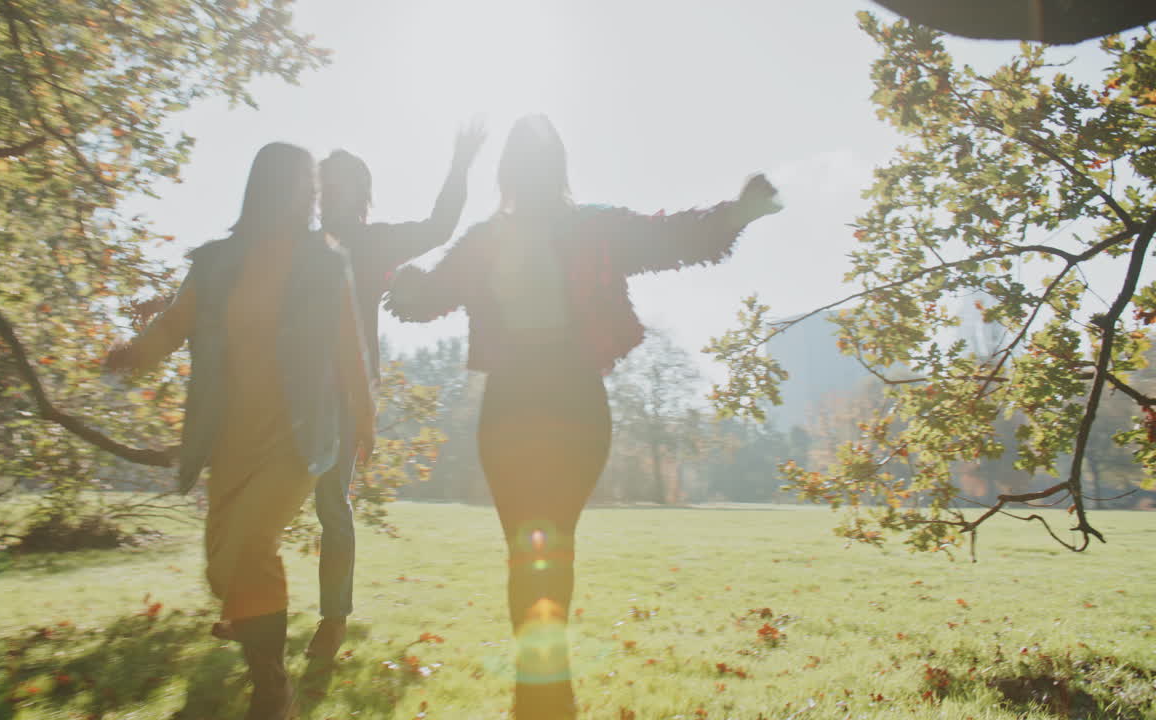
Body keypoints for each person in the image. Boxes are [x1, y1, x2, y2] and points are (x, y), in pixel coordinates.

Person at [385, 114, 782, 719]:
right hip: (514, 405)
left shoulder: (592, 228)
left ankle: (541, 699)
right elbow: (429, 296)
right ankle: (543, 699)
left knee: (546, 549)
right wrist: (404, 283)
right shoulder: (487, 239)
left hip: (570, 402)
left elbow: (669, 237)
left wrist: (735, 214)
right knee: (533, 553)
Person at [104, 142, 375, 720]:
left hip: (297, 436)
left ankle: (270, 690)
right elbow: (178, 319)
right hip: (229, 435)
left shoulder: (325, 261)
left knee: (253, 545)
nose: (312, 192)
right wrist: (134, 354)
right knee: (224, 564)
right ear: (272, 187)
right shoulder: (218, 262)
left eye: (314, 183)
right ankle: (267, 671)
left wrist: (365, 417)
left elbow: (346, 341)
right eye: (303, 180)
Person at [304, 122, 484, 660]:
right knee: (255, 490)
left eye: (336, 184)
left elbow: (440, 225)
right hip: (288, 389)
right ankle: (247, 606)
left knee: (331, 504)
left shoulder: (373, 242)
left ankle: (333, 619)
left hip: (345, 393)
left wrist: (459, 161)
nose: (326, 194)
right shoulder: (300, 245)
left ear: (359, 193)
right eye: (322, 184)